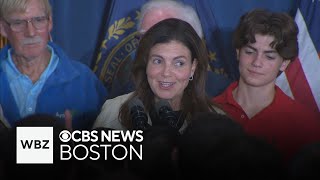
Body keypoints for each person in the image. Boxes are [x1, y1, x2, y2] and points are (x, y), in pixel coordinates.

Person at [212, 9, 320, 162]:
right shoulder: (208, 111)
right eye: (250, 52)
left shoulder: (306, 124)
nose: (257, 62)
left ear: (284, 63)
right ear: (238, 53)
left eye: (269, 56)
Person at [93, 18, 225, 133]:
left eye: (179, 63)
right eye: (158, 61)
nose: (166, 72)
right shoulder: (113, 111)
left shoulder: (217, 121)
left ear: (193, 67)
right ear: (146, 64)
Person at [0, 0, 107, 130]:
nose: (31, 32)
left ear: (50, 22)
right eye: (18, 23)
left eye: (38, 20)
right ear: (3, 28)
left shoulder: (84, 80)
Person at [108, 0, 232, 99]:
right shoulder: (123, 86)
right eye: (146, 37)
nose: (166, 72)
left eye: (167, 35)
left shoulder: (219, 93)